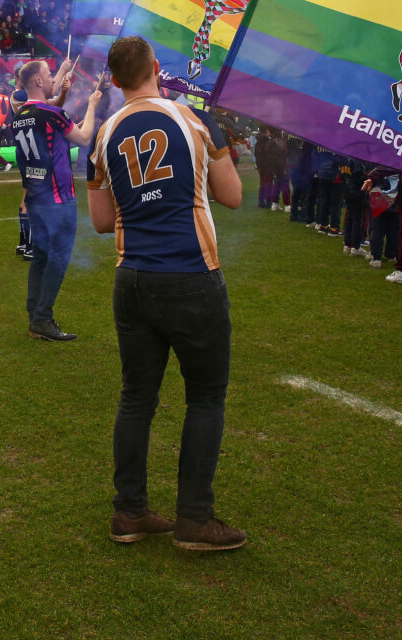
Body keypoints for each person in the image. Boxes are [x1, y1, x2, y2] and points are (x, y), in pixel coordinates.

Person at [86, 34, 245, 551]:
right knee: (204, 396)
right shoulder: (192, 118)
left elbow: (102, 221)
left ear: (113, 80)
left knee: (136, 398)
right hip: (191, 274)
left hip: (131, 279)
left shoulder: (105, 132)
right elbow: (233, 196)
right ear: (157, 67)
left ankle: (129, 512)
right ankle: (195, 520)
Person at [9, 57, 102, 341]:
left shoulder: (20, 115)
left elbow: (54, 112)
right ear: (38, 81)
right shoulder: (50, 114)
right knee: (58, 258)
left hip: (35, 197)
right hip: (58, 198)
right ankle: (43, 319)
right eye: (49, 74)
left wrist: (63, 78)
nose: (52, 78)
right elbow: (84, 138)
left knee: (40, 257)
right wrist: (92, 105)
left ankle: (34, 316)